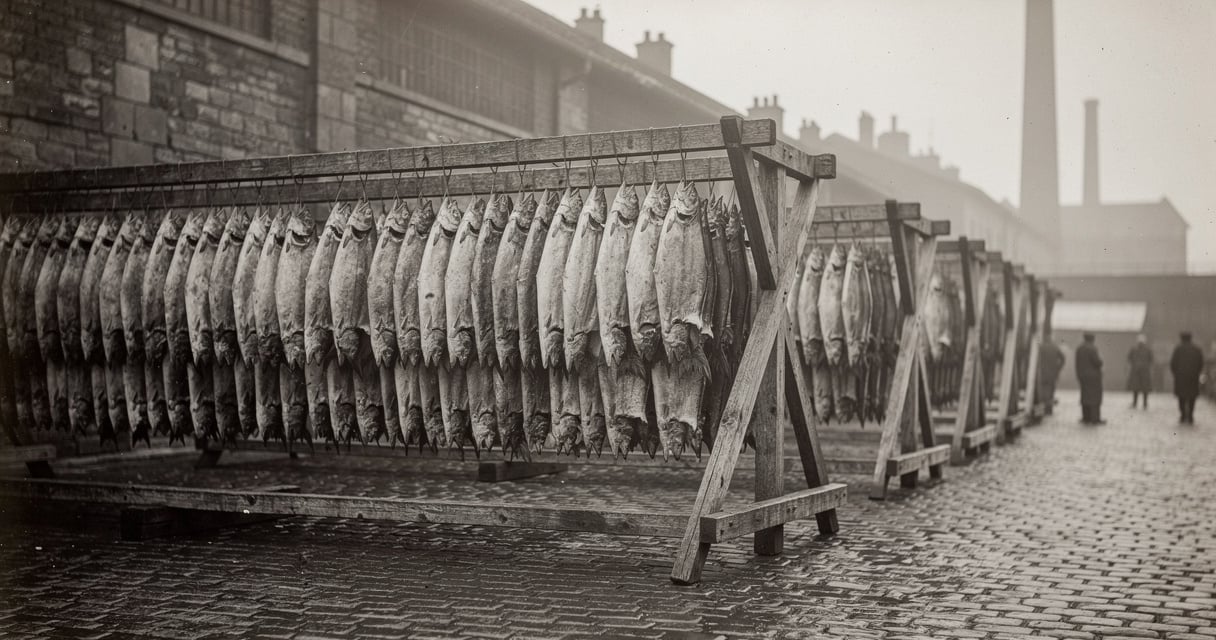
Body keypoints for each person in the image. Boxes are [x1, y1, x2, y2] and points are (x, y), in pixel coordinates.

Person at [1169, 332, 1204, 424]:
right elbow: (1201, 363)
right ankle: (1191, 415)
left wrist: (1176, 374)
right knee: (1192, 396)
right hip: (1193, 377)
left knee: (1181, 396)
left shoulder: (1178, 349)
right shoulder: (1197, 349)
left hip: (1181, 377)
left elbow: (1173, 363)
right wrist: (1197, 372)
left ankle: (1183, 414)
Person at [1075, 333, 1105, 425]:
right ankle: (1095, 418)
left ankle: (1086, 417)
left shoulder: (1079, 349)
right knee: (1095, 398)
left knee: (1085, 397)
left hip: (1083, 376)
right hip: (1094, 377)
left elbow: (1077, 363)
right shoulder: (1092, 348)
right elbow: (1098, 362)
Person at [1037, 339, 1066, 414]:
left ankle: (1044, 408)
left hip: (1042, 372)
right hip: (1053, 373)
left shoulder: (1040, 347)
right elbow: (1063, 359)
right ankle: (1049, 409)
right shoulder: (1055, 347)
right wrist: (1058, 368)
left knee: (1043, 390)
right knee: (1051, 391)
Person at [1127, 334, 1154, 409]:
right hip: (1145, 371)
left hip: (1136, 371)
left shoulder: (1134, 349)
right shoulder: (1148, 350)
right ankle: (1144, 403)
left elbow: (1129, 358)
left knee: (1136, 387)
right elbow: (1151, 360)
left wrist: (1135, 364)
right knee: (1144, 388)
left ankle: (1135, 403)